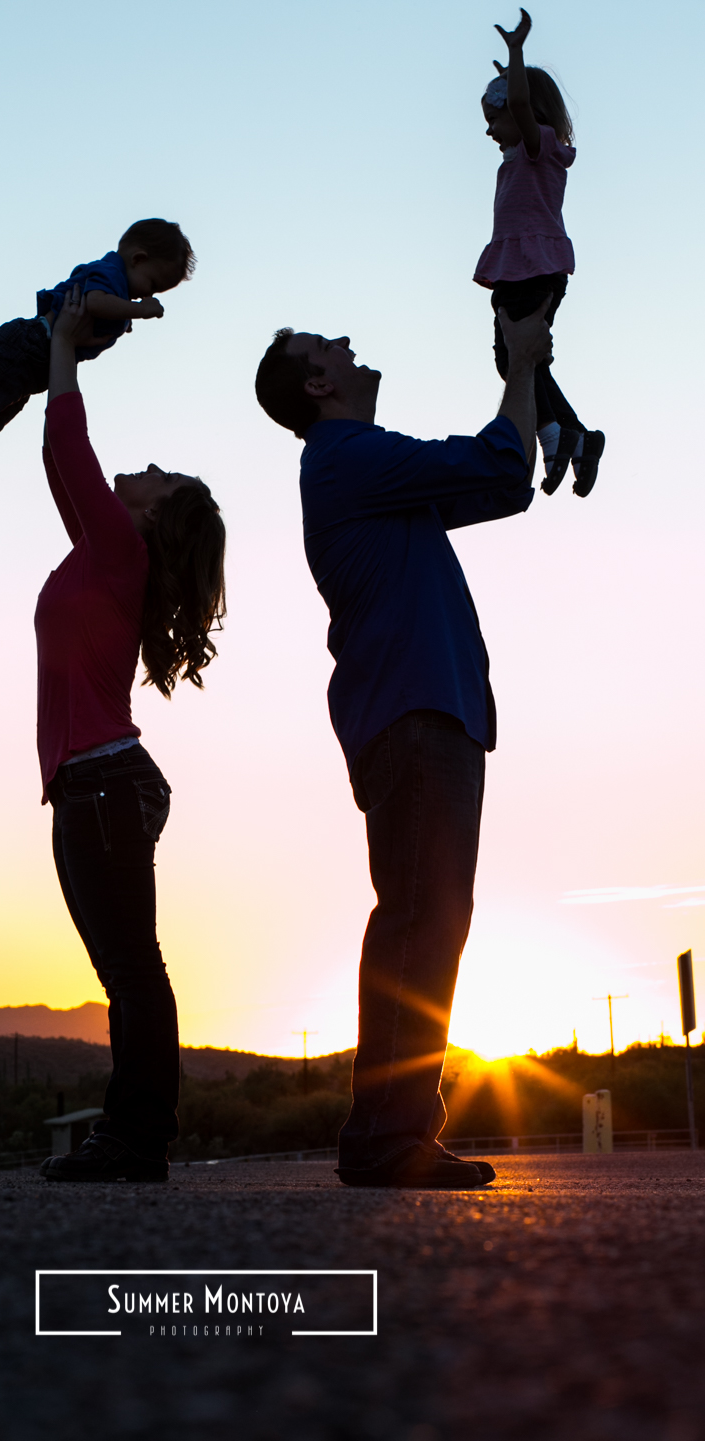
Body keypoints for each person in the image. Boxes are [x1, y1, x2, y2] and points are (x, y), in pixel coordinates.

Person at [254, 301, 553, 1189]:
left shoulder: (374, 477)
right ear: (319, 383)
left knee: (427, 918)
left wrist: (527, 381)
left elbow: (505, 483)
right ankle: (388, 1138)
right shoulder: (349, 457)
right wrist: (523, 366)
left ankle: (391, 1133)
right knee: (421, 918)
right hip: (416, 712)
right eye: (329, 345)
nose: (348, 343)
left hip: (433, 710)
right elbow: (499, 457)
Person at [37, 287, 226, 1184]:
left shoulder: (122, 550)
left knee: (132, 969)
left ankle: (138, 1138)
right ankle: (133, 1134)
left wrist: (66, 346)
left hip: (106, 785)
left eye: (161, 477)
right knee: (125, 968)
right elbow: (66, 474)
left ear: (155, 516)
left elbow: (66, 452)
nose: (142, 470)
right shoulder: (103, 554)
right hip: (95, 784)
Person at [0, 218, 195, 495]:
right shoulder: (111, 273)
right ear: (138, 259)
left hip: (36, 363)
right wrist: (139, 312)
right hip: (31, 344)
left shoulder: (118, 287)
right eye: (153, 285)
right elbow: (94, 302)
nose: (148, 296)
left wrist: (122, 320)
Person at [478, 9, 604, 496]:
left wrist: (516, 55)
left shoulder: (538, 147)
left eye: (496, 118)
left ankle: (556, 437)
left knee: (515, 358)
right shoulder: (520, 156)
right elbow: (519, 109)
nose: (490, 132)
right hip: (525, 266)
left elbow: (526, 109)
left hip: (532, 266)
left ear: (523, 109)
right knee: (521, 359)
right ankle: (579, 439)